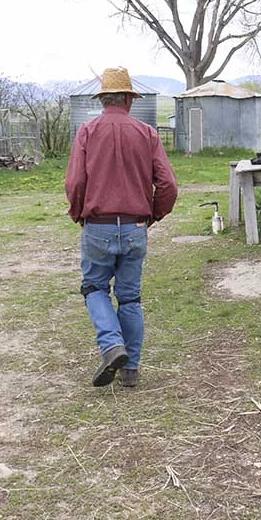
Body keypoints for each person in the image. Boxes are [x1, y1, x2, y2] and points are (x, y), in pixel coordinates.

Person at [65, 67, 178, 388]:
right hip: (135, 226)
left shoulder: (87, 132)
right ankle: (131, 370)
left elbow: (75, 182)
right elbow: (167, 184)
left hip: (97, 226)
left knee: (95, 288)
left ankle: (112, 345)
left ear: (103, 99)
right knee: (129, 298)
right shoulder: (147, 134)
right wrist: (153, 215)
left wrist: (78, 213)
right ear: (129, 99)